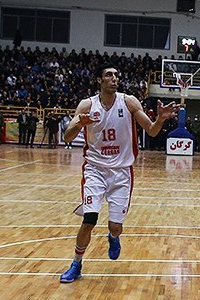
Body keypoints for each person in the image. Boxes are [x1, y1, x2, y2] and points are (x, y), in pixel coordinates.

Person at [59, 63, 180, 284]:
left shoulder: (129, 101)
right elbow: (67, 137)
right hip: (95, 169)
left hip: (122, 172)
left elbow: (151, 131)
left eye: (116, 75)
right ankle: (76, 264)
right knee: (89, 219)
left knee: (115, 226)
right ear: (99, 80)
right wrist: (78, 126)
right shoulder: (87, 105)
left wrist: (161, 119)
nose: (114, 78)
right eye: (108, 75)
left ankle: (113, 237)